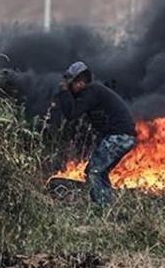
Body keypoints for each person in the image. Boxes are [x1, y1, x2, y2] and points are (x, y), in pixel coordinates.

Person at [57, 61, 136, 206]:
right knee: (97, 171)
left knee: (95, 171)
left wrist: (63, 91)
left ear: (80, 83)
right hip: (122, 136)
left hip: (120, 136)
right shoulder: (93, 91)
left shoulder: (92, 91)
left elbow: (71, 113)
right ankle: (107, 207)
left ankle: (103, 208)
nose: (70, 89)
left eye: (71, 85)